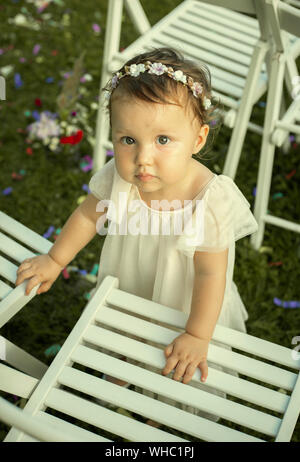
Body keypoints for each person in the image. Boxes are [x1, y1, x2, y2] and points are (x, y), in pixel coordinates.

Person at [15, 47, 258, 425]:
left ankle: (160, 405)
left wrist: (196, 333)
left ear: (197, 139)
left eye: (163, 140)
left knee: (174, 351)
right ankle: (123, 363)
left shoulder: (208, 199)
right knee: (126, 328)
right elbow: (86, 215)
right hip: (132, 280)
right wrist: (55, 259)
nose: (143, 158)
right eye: (128, 140)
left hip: (185, 299)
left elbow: (212, 274)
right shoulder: (120, 176)